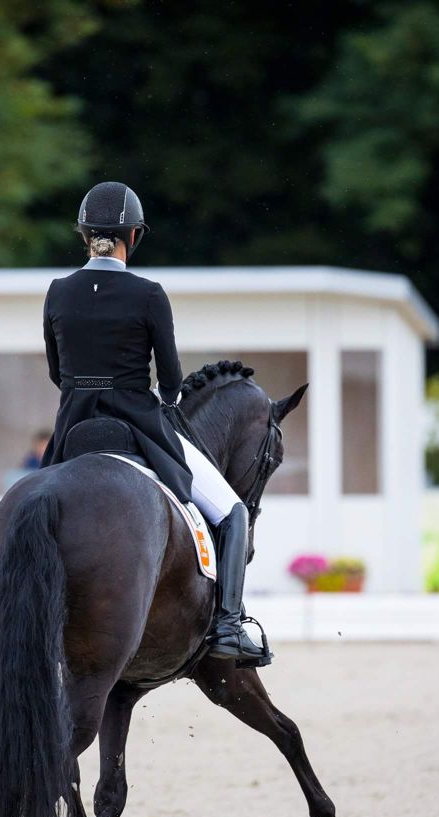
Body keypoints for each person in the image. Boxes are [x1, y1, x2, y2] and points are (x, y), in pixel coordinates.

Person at [41, 181, 270, 666]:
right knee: (232, 512)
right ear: (133, 235)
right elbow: (170, 383)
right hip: (137, 423)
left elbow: (57, 374)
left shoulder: (58, 292)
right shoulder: (148, 294)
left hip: (72, 428)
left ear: (85, 235)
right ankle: (228, 627)